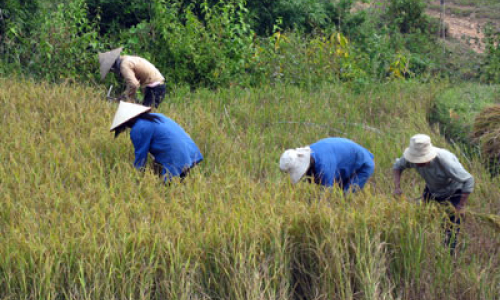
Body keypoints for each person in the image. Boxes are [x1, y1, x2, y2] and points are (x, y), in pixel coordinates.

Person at [393, 134, 474, 253]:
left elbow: (469, 180)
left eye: (421, 160)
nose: (418, 163)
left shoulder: (444, 160)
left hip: (453, 191)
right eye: (416, 160)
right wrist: (397, 187)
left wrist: (460, 206)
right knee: (423, 217)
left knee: (451, 225)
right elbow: (397, 167)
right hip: (432, 189)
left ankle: (448, 254)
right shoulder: (411, 158)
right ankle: (422, 245)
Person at [110, 101, 203, 182]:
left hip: (175, 158)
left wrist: (137, 178)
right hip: (191, 153)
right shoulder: (157, 116)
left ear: (128, 121)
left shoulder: (139, 128)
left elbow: (141, 157)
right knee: (178, 186)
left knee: (167, 192)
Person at [279, 137, 375, 193]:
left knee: (346, 197)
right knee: (339, 192)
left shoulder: (324, 167)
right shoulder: (312, 155)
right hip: (346, 162)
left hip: (363, 165)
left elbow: (326, 197)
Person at [99, 47, 166, 108]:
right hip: (156, 85)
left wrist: (126, 97)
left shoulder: (124, 65)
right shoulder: (126, 59)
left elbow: (134, 85)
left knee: (146, 116)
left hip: (155, 88)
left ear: (113, 66)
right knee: (144, 112)